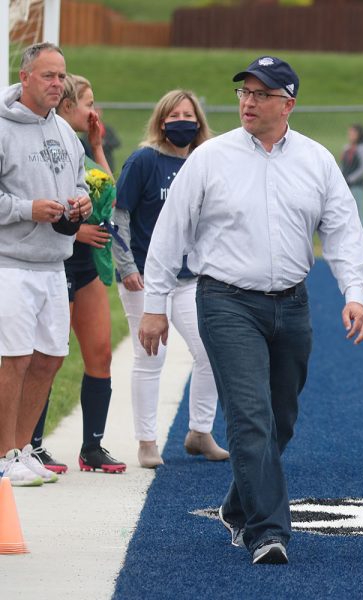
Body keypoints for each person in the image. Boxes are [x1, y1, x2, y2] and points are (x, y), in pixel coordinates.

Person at [138, 55, 363, 565]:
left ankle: (237, 505)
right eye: (244, 92)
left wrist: (355, 294)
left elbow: (342, 231)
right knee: (251, 416)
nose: (248, 101)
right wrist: (154, 305)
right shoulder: (210, 157)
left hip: (292, 303)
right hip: (225, 300)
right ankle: (268, 531)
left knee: (281, 417)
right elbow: (169, 231)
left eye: (261, 94)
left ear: (288, 104)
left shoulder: (315, 160)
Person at [112, 89, 229, 468]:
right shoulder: (144, 160)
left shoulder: (204, 161)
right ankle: (147, 441)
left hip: (191, 277)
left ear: (199, 122)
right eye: (175, 114)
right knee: (152, 356)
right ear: (162, 120)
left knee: (211, 349)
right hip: (146, 277)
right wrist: (126, 266)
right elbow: (120, 216)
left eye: (189, 114)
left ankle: (200, 431)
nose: (183, 120)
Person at [0, 42, 93, 487]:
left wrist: (82, 202)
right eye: (48, 75)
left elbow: (79, 183)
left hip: (54, 263)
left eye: (62, 76)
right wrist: (24, 208)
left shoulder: (65, 133)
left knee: (50, 358)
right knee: (13, 359)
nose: (58, 84)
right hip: (10, 263)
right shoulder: (1, 126)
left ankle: (20, 449)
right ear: (25, 78)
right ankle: (2, 455)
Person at [27, 73, 126, 474]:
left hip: (86, 269)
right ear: (67, 106)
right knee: (46, 358)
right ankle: (31, 445)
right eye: (88, 103)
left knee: (100, 354)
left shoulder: (82, 147)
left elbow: (108, 195)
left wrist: (99, 147)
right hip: (54, 263)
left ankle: (92, 448)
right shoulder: (45, 146)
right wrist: (77, 228)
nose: (93, 111)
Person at [339, 123, 363, 233]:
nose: (350, 135)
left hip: (357, 185)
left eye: (353, 133)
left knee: (359, 211)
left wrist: (351, 178)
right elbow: (343, 164)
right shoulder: (347, 147)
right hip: (345, 184)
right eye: (350, 133)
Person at [80, 106, 121, 174]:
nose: (96, 113)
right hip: (93, 163)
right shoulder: (87, 129)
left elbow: (117, 143)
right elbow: (84, 144)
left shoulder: (108, 129)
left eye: (98, 111)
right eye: (94, 111)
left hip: (108, 162)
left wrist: (104, 143)